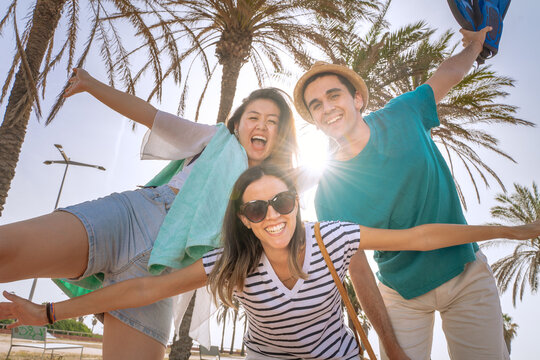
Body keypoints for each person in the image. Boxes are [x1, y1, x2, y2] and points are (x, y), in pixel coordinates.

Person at [2, 165, 539, 360]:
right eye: (257, 208)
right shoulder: (230, 262)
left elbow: (420, 236)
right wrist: (48, 314)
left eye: (281, 201)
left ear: (296, 203)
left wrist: (508, 229)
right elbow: (144, 292)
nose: (273, 214)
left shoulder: (336, 237)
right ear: (245, 218)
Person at [0, 68, 298, 359]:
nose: (262, 125)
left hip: (164, 273)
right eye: (254, 117)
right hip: (132, 219)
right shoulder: (215, 138)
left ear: (280, 135)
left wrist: (47, 313)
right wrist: (91, 84)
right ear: (237, 125)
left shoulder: (276, 199)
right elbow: (151, 115)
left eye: (272, 122)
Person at [293, 26, 512, 359]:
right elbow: (359, 269)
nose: (326, 107)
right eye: (316, 105)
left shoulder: (403, 113)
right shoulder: (329, 194)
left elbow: (447, 74)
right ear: (315, 120)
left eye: (333, 95)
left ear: (357, 99)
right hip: (400, 293)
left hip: (465, 272)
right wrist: (390, 345)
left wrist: (475, 46)